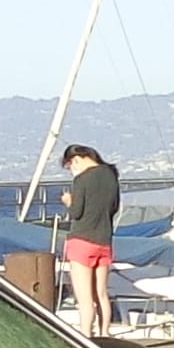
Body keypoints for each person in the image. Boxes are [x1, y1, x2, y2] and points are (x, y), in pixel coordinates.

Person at [53, 141, 124, 333]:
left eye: (70, 167)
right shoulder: (111, 176)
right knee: (101, 294)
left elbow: (76, 212)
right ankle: (105, 334)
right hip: (104, 241)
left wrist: (69, 201)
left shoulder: (82, 180)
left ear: (75, 159)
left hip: (82, 240)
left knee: (85, 299)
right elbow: (115, 207)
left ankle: (86, 337)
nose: (72, 171)